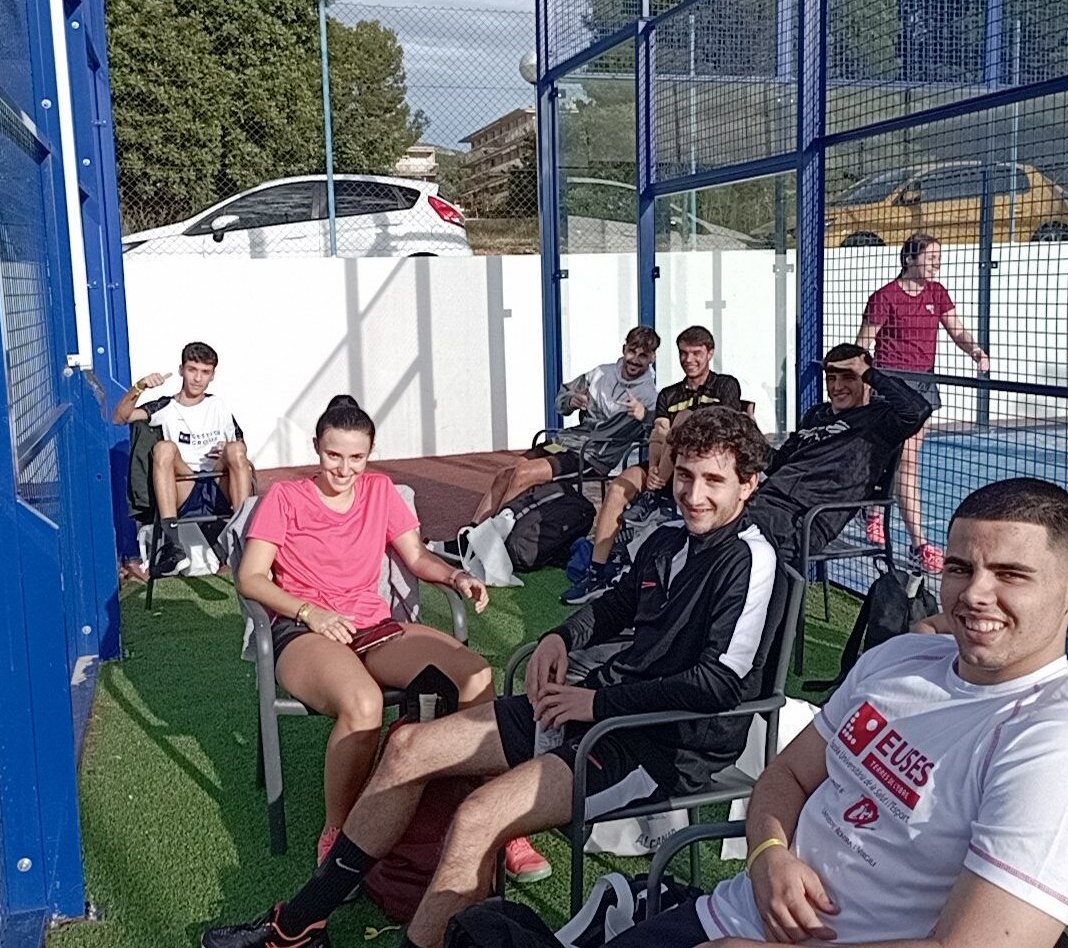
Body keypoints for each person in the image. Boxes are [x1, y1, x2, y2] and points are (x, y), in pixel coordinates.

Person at [204, 407, 787, 948]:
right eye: (685, 476)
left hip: (656, 745)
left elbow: (720, 685)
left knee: (477, 815)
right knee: (408, 748)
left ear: (748, 485)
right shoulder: (668, 540)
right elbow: (615, 605)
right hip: (593, 709)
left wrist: (595, 704)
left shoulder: (751, 558)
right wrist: (561, 637)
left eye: (713, 481)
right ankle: (299, 924)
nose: (693, 494)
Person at [606, 478, 1068, 948]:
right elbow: (787, 774)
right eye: (959, 568)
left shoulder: (1061, 750)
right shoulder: (901, 660)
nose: (975, 592)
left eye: (1010, 574)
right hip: (730, 914)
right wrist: (768, 853)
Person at [236, 395, 550, 879]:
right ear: (316, 447)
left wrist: (455, 576)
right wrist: (311, 611)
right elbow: (251, 577)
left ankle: (496, 817)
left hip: (373, 626)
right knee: (363, 704)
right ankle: (340, 834)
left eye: (356, 457)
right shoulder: (285, 498)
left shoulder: (381, 491)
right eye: (333, 455)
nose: (344, 469)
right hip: (304, 629)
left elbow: (417, 557)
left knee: (475, 675)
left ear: (370, 453)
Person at [563, 324, 743, 605]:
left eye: (696, 353)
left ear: (710, 353)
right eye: (683, 353)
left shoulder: (726, 385)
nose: (689, 360)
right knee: (620, 486)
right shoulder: (668, 394)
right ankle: (596, 573)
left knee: (682, 419)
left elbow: (726, 430)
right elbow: (658, 433)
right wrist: (657, 470)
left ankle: (653, 493)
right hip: (666, 467)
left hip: (708, 468)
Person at [856, 233, 990, 574]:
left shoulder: (937, 293)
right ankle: (920, 544)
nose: (937, 265)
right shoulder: (885, 297)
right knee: (905, 459)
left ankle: (874, 510)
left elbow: (957, 329)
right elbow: (862, 344)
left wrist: (975, 350)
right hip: (892, 385)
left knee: (903, 458)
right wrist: (863, 387)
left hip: (923, 385)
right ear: (910, 259)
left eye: (939, 259)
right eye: (931, 258)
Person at [913, 598, 1068, 777]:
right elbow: (926, 627)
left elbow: (1065, 699)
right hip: (1052, 718)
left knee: (1062, 734)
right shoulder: (1023, 615)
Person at [743, 344, 932, 571]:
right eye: (831, 378)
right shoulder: (816, 414)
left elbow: (918, 410)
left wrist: (869, 372)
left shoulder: (879, 419)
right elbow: (778, 464)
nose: (837, 387)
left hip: (805, 517)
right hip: (766, 500)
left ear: (866, 381)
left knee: (736, 547)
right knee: (713, 527)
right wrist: (747, 433)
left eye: (848, 377)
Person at [470, 325, 660, 524]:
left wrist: (645, 415)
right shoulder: (600, 374)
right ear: (623, 349)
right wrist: (572, 400)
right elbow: (562, 400)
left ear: (652, 358)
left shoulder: (649, 396)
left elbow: (657, 434)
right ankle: (472, 532)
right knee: (505, 473)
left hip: (591, 455)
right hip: (567, 441)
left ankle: (495, 534)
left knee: (523, 474)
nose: (635, 359)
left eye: (643, 355)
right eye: (632, 351)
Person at [113, 340, 253, 576]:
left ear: (212, 375)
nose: (198, 378)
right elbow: (120, 417)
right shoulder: (165, 406)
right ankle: (172, 544)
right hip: (183, 486)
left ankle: (242, 538)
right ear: (181, 370)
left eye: (205, 372)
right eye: (192, 370)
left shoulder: (218, 405)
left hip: (218, 484)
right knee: (164, 448)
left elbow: (241, 448)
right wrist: (140, 387)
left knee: (236, 449)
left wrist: (226, 449)